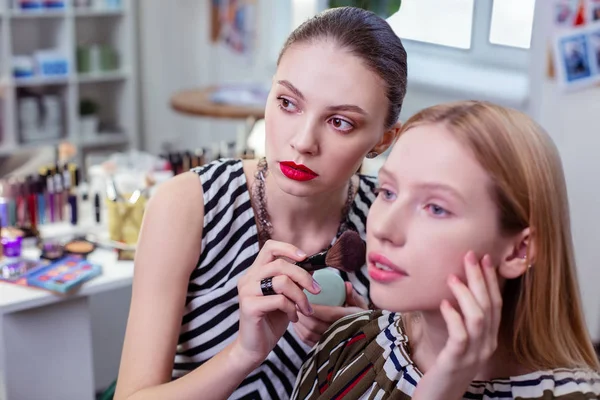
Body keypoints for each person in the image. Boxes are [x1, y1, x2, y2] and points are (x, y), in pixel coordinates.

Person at [114, 6, 407, 400]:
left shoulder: (391, 224)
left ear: (384, 141)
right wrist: (243, 354)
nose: (303, 141)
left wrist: (371, 346)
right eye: (288, 103)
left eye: (340, 122)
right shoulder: (189, 205)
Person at [289, 101, 600, 399]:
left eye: (436, 208)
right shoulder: (346, 340)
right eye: (387, 192)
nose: (383, 229)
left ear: (519, 250)